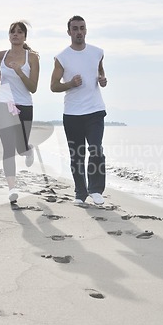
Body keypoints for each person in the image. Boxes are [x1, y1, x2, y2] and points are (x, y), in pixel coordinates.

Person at [50, 15, 107, 205]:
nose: (79, 32)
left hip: (95, 110)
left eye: (82, 28)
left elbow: (100, 72)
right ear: (69, 32)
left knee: (96, 149)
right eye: (75, 28)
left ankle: (96, 189)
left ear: (86, 30)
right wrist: (71, 84)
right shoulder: (62, 57)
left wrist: (103, 80)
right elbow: (53, 86)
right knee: (77, 155)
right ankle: (80, 193)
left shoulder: (97, 52)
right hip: (72, 113)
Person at [0, 21, 40, 203]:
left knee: (20, 148)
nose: (15, 35)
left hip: (24, 105)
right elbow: (3, 71)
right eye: (13, 32)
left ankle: (28, 149)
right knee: (8, 149)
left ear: (25, 37)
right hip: (3, 105)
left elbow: (33, 87)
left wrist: (19, 71)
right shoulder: (1, 55)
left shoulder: (32, 58)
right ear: (9, 35)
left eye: (20, 32)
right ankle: (12, 188)